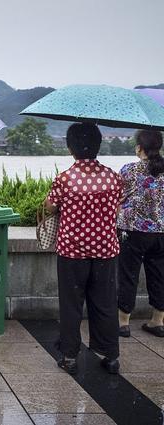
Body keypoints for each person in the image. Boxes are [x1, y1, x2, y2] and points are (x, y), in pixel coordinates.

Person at [45, 122, 122, 375]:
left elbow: (49, 207)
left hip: (72, 253)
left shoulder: (65, 178)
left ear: (70, 148)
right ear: (99, 146)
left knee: (71, 304)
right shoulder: (113, 178)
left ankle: (69, 356)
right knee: (106, 303)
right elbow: (117, 209)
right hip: (105, 251)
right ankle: (110, 355)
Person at [117, 130, 164, 338]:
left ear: (139, 148)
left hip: (133, 231)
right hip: (161, 232)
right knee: (160, 275)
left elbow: (117, 197)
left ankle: (123, 323)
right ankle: (157, 321)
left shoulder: (129, 170)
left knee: (128, 275)